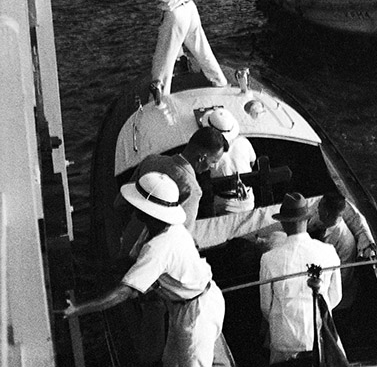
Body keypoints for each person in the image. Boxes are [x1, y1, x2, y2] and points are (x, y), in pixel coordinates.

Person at [65, 172, 225, 367]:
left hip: (198, 313)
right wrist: (90, 267)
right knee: (171, 362)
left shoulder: (159, 247)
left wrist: (78, 309)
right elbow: (130, 263)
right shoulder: (160, 230)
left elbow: (124, 292)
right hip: (184, 304)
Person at [127, 0, 228, 96]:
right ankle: (220, 81)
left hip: (175, 16)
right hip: (190, 10)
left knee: (163, 58)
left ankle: (160, 96)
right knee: (202, 48)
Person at [116, 126, 228, 257]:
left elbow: (120, 203)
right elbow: (180, 239)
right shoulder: (191, 189)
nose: (213, 167)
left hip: (125, 242)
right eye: (213, 161)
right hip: (149, 256)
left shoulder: (150, 161)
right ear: (201, 158)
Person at [259, 193, 345, 365]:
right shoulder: (329, 251)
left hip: (285, 341)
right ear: (307, 220)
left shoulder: (269, 259)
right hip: (320, 335)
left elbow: (266, 306)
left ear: (283, 223)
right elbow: (335, 297)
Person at [202, 108, 257, 215]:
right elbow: (252, 162)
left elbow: (203, 172)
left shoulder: (210, 151)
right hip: (248, 201)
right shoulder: (244, 142)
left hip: (225, 205)